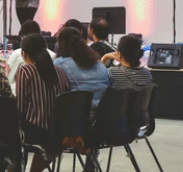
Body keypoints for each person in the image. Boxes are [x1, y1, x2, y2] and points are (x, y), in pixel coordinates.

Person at [16, 34, 70, 172]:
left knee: (9, 133)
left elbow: (20, 109)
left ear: (24, 54)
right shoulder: (61, 72)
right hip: (58, 132)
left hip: (36, 132)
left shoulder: (25, 71)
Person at [53, 27, 111, 108]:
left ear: (59, 45)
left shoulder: (59, 64)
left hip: (78, 114)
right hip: (103, 113)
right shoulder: (99, 63)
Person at [7, 20, 56, 94]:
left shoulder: (18, 54)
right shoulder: (53, 55)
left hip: (21, 98)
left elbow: (8, 80)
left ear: (23, 37)